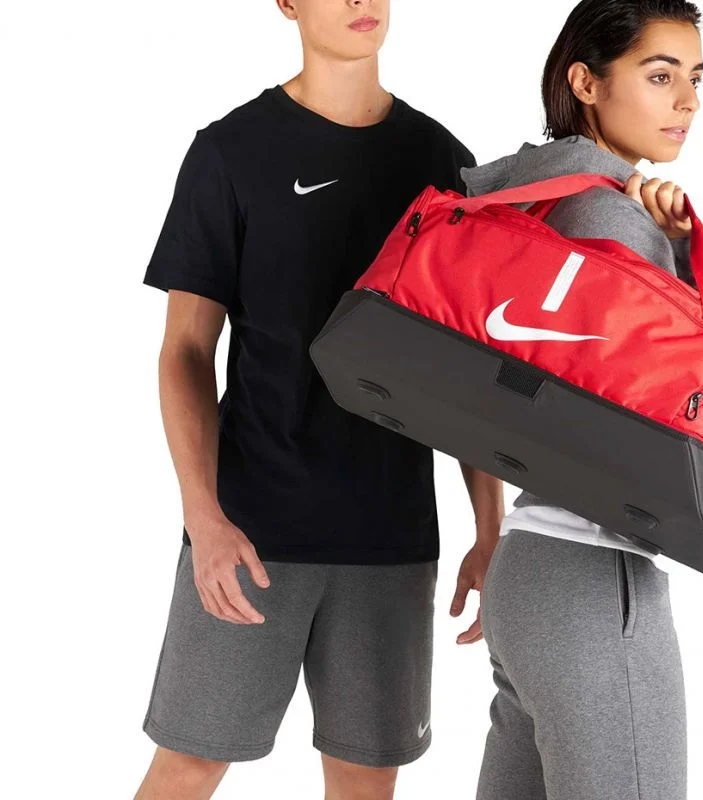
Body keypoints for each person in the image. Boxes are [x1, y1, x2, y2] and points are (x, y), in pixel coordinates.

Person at [133, 2, 503, 798]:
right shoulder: (231, 151)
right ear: (287, 3)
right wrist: (204, 518)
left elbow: (470, 366)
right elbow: (186, 350)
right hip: (249, 533)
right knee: (188, 767)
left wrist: (489, 528)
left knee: (367, 782)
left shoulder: (443, 161)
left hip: (391, 539)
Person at [459, 2, 703, 798]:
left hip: (529, 572)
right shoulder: (612, 218)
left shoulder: (533, 197)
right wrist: (678, 255)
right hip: (596, 574)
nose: (687, 101)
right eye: (659, 76)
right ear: (586, 83)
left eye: (695, 78)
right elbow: (670, 406)